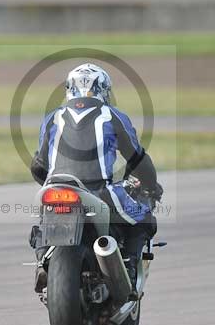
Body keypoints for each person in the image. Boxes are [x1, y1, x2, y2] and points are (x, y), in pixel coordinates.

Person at [29, 63, 162, 293]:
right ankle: (129, 271)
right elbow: (137, 159)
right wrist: (151, 186)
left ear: (69, 89)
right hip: (100, 192)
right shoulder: (112, 116)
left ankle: (43, 261)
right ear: (104, 90)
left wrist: (54, 184)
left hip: (55, 188)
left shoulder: (52, 118)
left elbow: (39, 166)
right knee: (144, 218)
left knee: (42, 222)